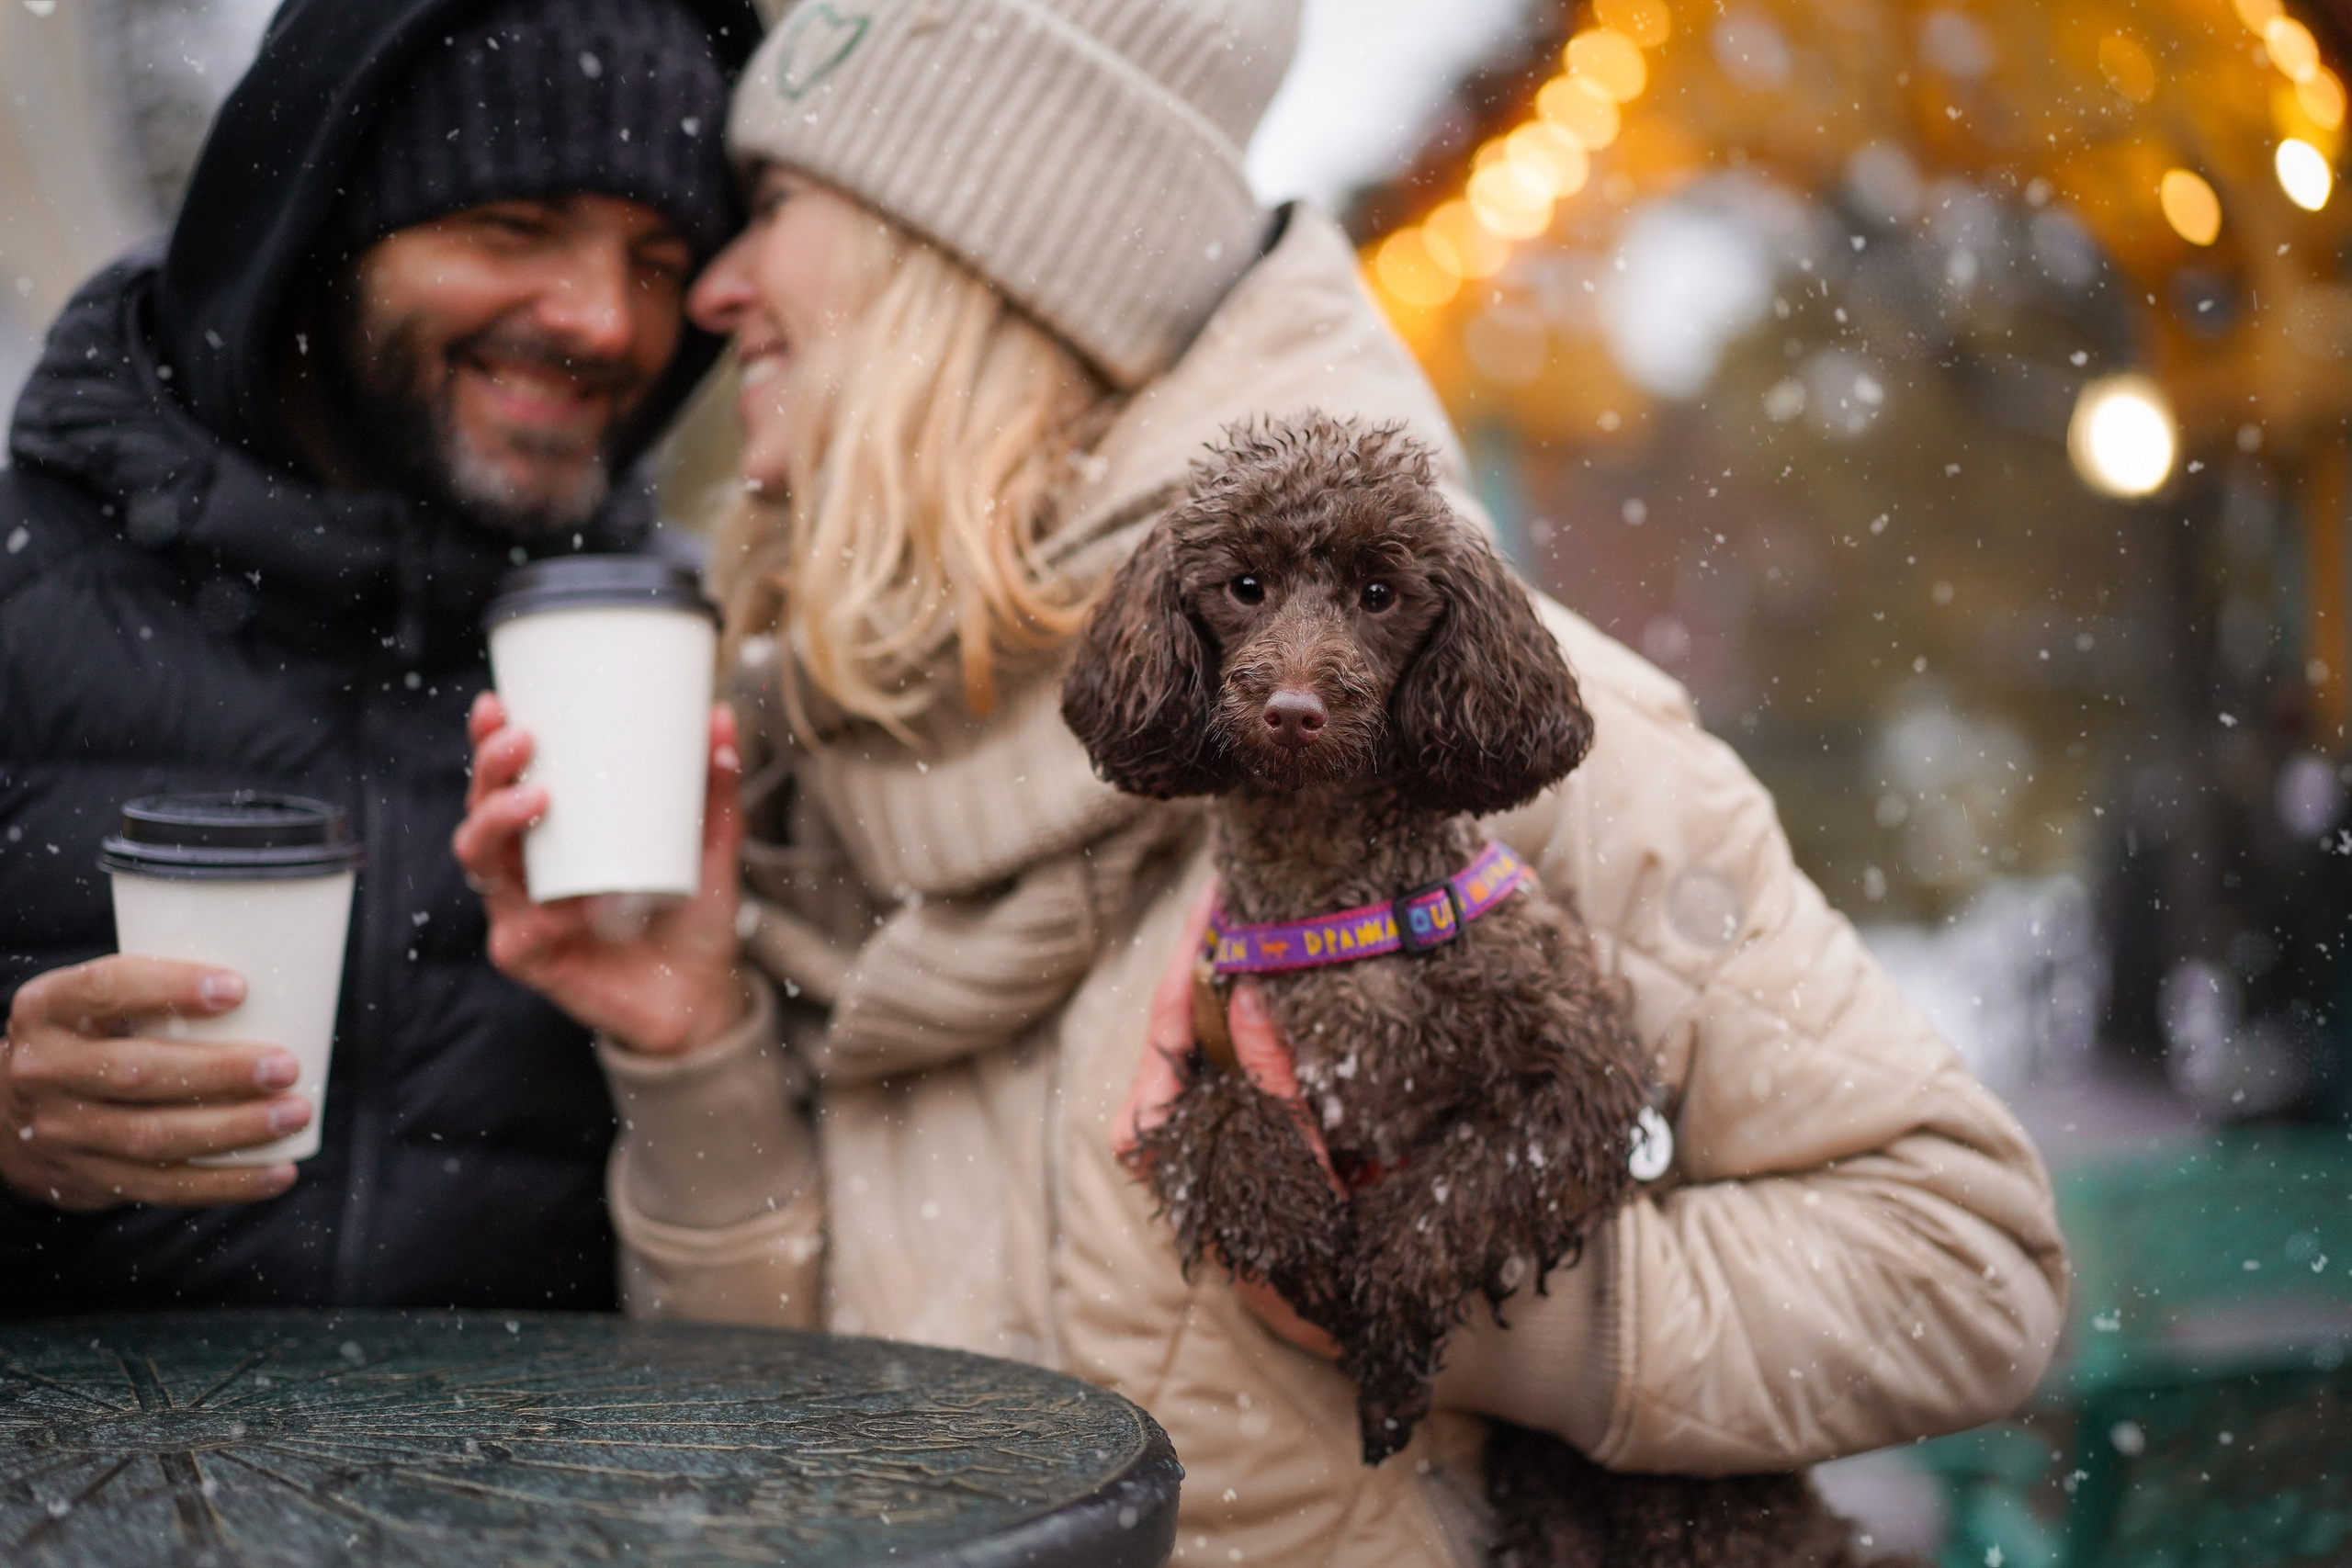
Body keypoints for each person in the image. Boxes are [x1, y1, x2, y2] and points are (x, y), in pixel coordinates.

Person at [455, 1, 2071, 1560]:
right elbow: (791, 1457)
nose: (717, 284)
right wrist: (693, 1056)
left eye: (778, 202)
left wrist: (1430, 1293)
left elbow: (1963, 1273)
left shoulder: (1465, 727)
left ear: (987, 255)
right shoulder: (826, 759)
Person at [0, 0, 762, 1315]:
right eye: (512, 228)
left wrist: (699, 1053)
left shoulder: (678, 648)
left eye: (655, 255)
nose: (600, 320)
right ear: (315, 231)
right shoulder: (24, 581)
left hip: (522, 1512)